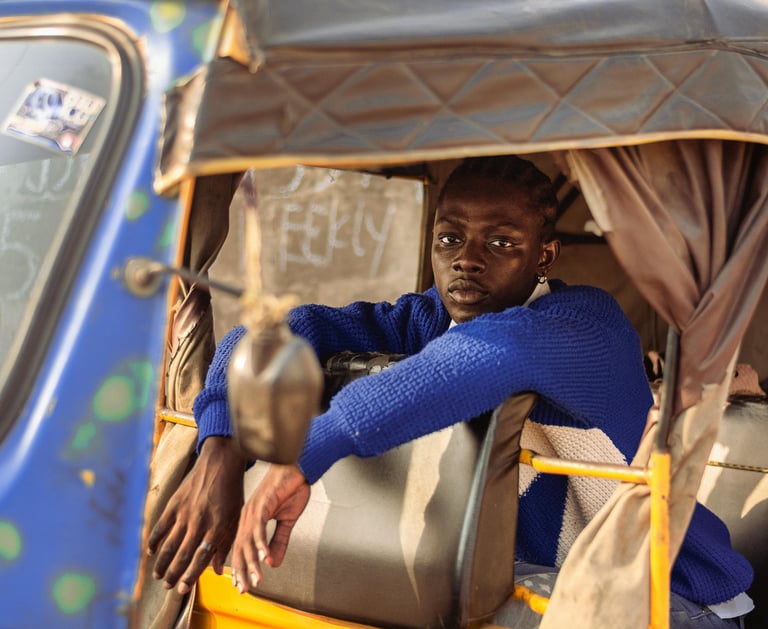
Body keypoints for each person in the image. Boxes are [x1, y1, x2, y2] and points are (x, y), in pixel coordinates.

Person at [148, 155, 753, 627]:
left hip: (667, 595)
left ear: (544, 254)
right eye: (448, 239)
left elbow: (493, 353)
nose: (467, 260)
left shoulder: (585, 324)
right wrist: (220, 448)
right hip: (530, 579)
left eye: (501, 243)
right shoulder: (428, 319)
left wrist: (305, 453)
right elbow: (269, 338)